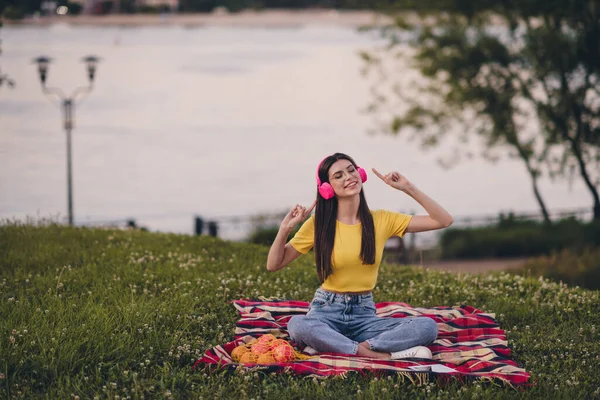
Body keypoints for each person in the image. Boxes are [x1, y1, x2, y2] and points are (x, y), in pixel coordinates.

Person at [266, 153, 453, 360]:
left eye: (351, 170)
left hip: (365, 315)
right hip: (325, 311)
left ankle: (338, 345)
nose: (348, 177)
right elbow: (274, 264)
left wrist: (407, 187)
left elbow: (443, 220)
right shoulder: (317, 223)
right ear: (326, 188)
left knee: (427, 326)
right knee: (298, 325)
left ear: (361, 174)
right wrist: (285, 228)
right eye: (338, 175)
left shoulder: (382, 219)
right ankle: (376, 354)